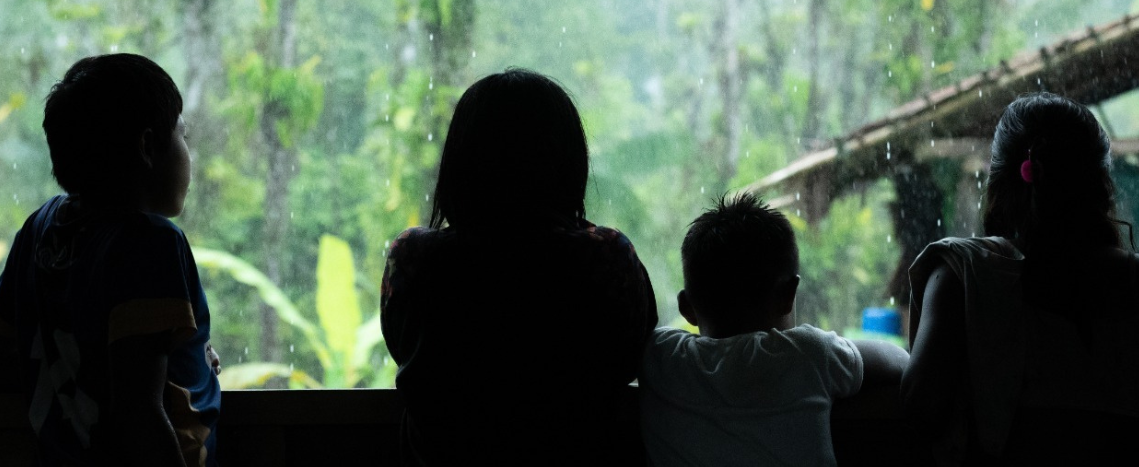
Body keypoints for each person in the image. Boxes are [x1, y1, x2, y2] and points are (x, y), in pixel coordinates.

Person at [379, 68, 658, 466]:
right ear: (566, 162)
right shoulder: (605, 257)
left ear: (460, 163)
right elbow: (632, 356)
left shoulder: (414, 258)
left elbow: (402, 344)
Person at [0, 53, 221, 467]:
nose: (188, 154)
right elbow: (139, 413)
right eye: (183, 137)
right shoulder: (151, 244)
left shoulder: (40, 230)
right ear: (149, 146)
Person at [903, 92, 1139, 465]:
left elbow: (921, 409)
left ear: (998, 180)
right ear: (1101, 185)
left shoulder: (963, 274)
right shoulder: (1131, 282)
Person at [640, 191, 908, 467]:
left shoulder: (661, 356)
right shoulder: (807, 353)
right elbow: (899, 360)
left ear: (686, 307)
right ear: (789, 295)